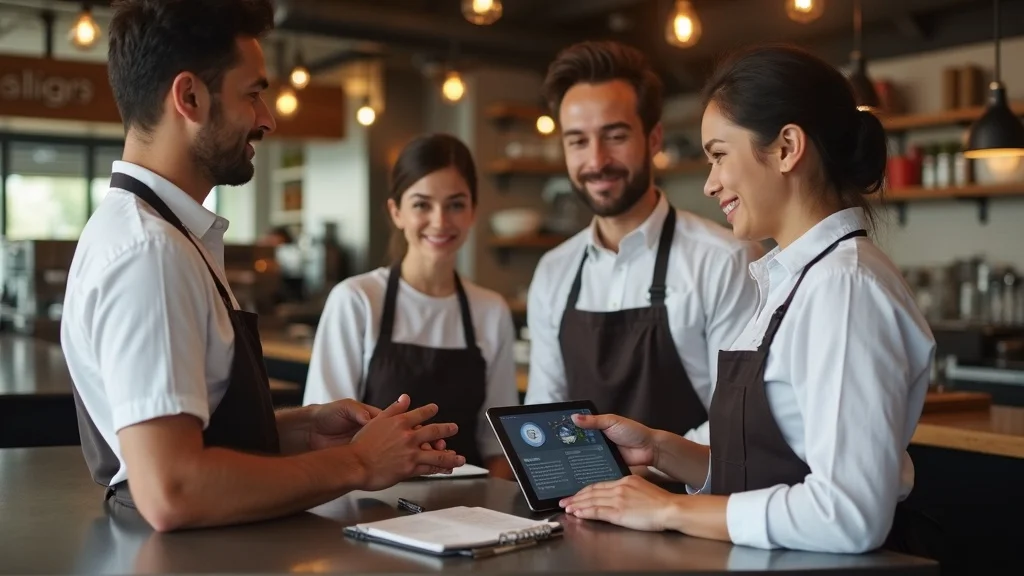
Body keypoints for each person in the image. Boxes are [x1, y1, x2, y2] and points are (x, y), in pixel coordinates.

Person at [61, 0, 463, 533]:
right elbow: (172, 488)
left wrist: (303, 428)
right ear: (189, 97)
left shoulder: (157, 234)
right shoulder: (150, 251)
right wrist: (360, 463)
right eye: (253, 94)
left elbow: (187, 435)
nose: (267, 118)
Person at [557, 44, 939, 557]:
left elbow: (849, 514)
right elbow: (770, 467)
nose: (711, 183)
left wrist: (668, 510)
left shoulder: (844, 289)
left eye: (719, 155)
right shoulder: (793, 279)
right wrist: (663, 450)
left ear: (786, 148)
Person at [524, 40, 762, 449]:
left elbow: (739, 418)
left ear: (653, 138)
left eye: (614, 136)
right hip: (578, 501)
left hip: (688, 504)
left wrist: (648, 471)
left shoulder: (725, 261)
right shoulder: (553, 270)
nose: (596, 161)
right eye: (577, 141)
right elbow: (544, 412)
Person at [302, 134, 518, 480]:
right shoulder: (357, 299)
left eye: (456, 204)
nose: (440, 221)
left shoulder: (491, 310)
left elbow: (498, 447)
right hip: (371, 502)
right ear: (396, 212)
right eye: (422, 204)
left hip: (469, 507)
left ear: (473, 212)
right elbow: (325, 440)